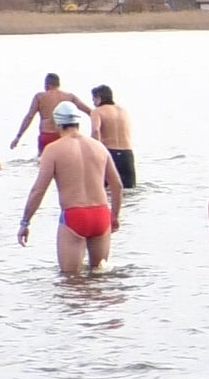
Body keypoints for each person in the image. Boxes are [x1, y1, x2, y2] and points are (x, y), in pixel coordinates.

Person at [18, 103, 124, 273]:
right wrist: (115, 216)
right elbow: (117, 185)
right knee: (99, 276)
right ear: (78, 122)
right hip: (101, 214)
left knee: (70, 280)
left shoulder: (52, 150)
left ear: (57, 124)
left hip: (75, 215)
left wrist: (25, 222)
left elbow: (38, 190)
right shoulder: (98, 146)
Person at [9, 73, 91, 155]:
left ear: (47, 85)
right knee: (65, 160)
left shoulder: (39, 97)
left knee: (43, 160)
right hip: (64, 135)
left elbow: (29, 117)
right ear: (58, 84)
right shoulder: (69, 96)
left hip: (46, 135)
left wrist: (18, 137)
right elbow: (89, 111)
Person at [89, 84, 136, 188]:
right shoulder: (123, 111)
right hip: (127, 154)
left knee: (105, 190)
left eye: (93, 100)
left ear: (98, 98)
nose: (93, 103)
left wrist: (94, 152)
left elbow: (96, 131)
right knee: (129, 190)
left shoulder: (97, 111)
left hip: (110, 152)